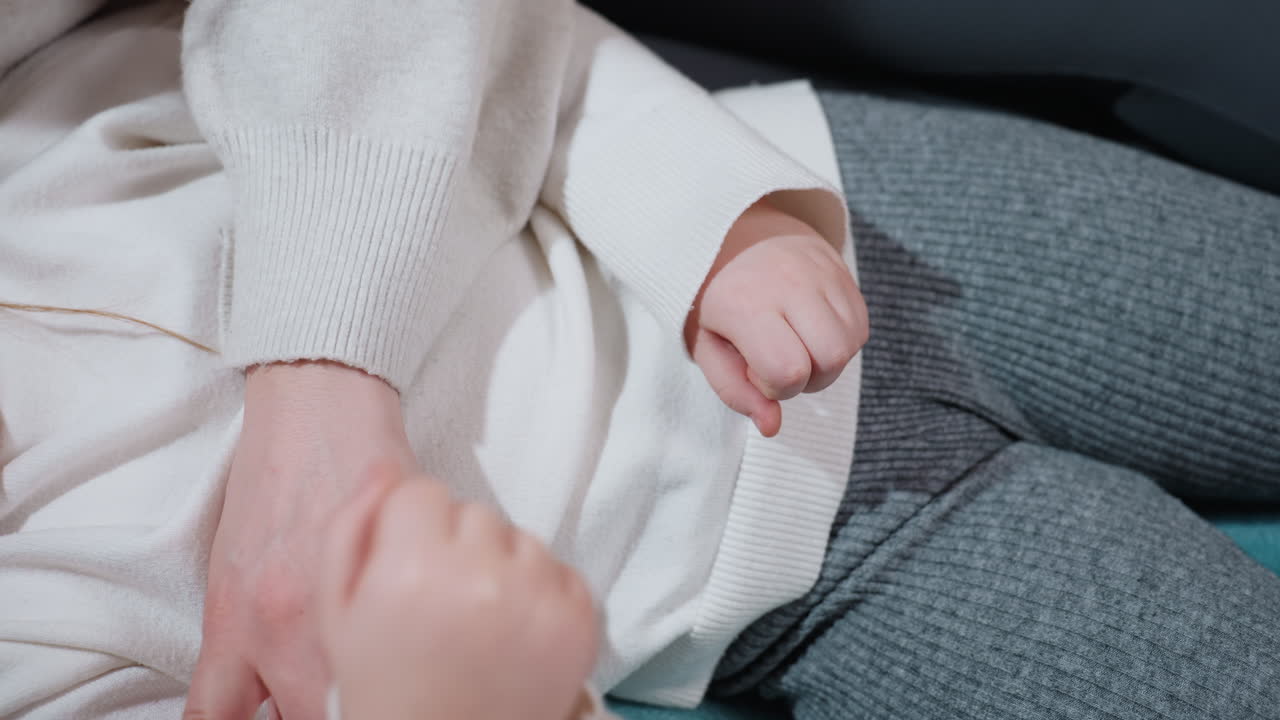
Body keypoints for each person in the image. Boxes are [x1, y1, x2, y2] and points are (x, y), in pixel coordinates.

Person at [3, 4, 1280, 720]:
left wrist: (714, 217)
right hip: (802, 584)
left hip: (869, 216)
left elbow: (512, 49)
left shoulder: (37, 123)